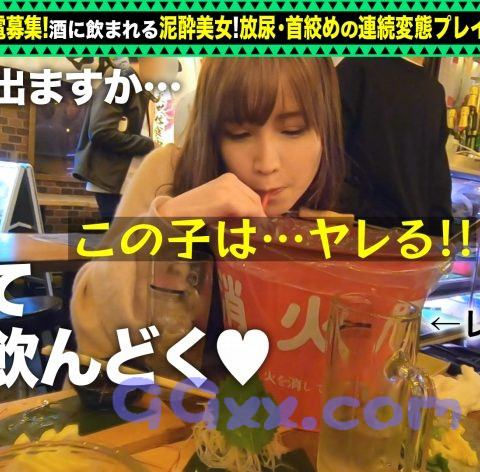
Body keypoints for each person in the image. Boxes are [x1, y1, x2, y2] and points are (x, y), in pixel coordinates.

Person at [70, 58, 346, 372]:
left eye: (292, 131)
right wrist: (169, 221)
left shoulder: (337, 214)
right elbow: (95, 332)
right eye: (239, 133)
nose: (267, 164)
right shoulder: (168, 173)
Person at [335, 57, 452, 232]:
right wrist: (440, 235)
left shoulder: (357, 66)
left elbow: (325, 152)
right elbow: (438, 182)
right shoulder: (434, 91)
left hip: (364, 228)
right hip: (408, 233)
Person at [72, 57, 179, 221]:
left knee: (125, 233)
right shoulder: (120, 83)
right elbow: (101, 131)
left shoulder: (136, 87)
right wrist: (151, 145)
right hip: (111, 179)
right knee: (121, 232)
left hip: (122, 180)